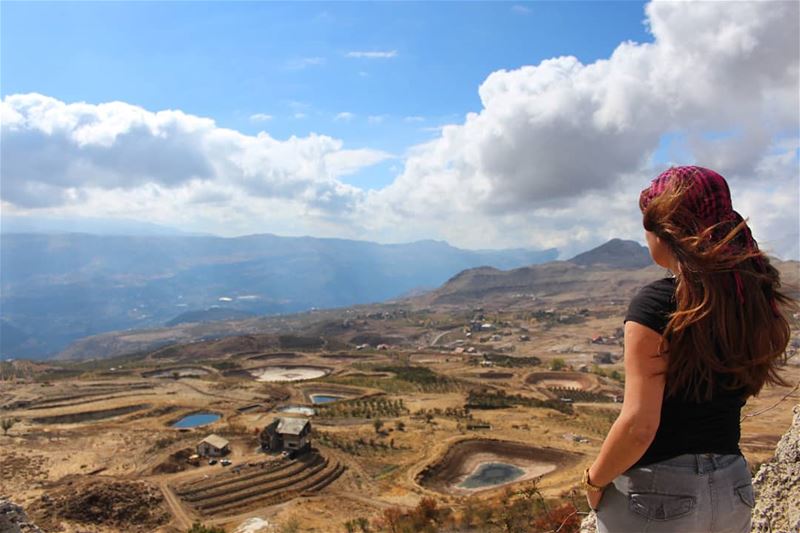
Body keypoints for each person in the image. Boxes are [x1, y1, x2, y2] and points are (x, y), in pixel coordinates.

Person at [583, 166, 793, 533]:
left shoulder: (656, 304)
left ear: (666, 232)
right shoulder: (750, 299)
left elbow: (639, 427)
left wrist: (595, 481)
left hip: (655, 496)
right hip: (733, 490)